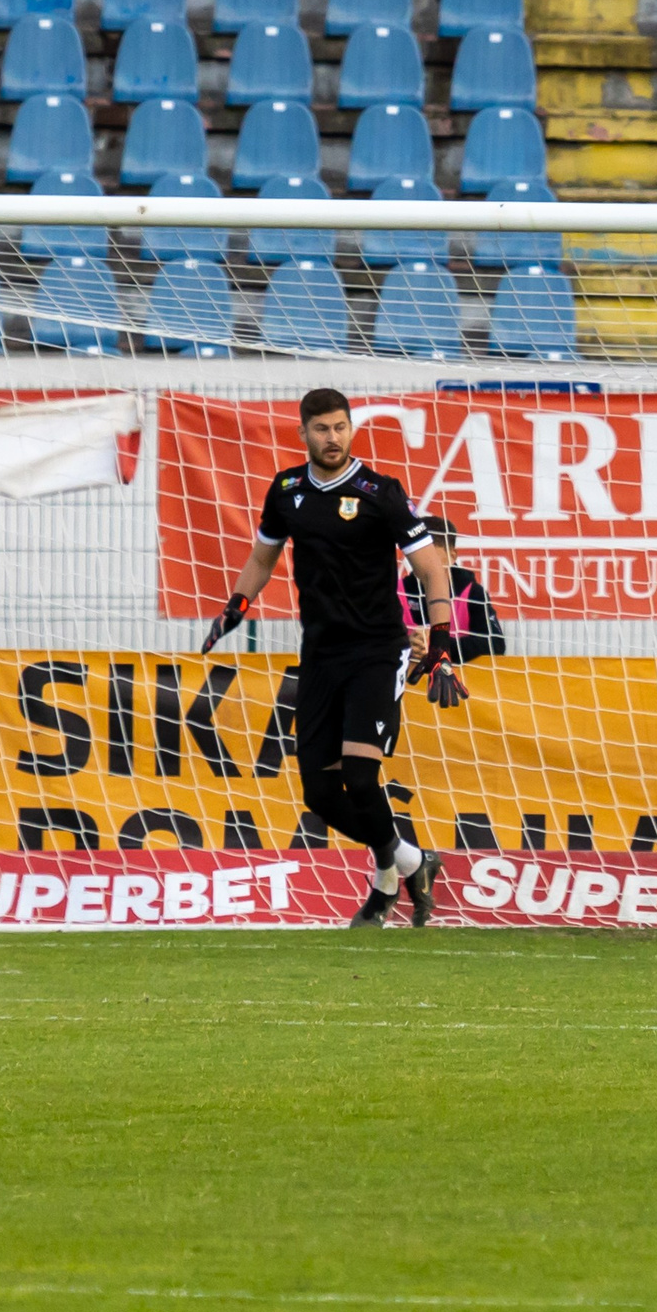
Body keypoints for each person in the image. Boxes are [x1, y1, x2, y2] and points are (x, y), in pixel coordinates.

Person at [202, 388, 462, 928]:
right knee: (320, 794)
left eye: (341, 427)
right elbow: (263, 555)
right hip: (319, 654)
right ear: (304, 434)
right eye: (321, 429)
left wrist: (440, 642)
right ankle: (410, 863)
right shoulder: (287, 489)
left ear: (351, 429)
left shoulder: (381, 492)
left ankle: (387, 881)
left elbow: (433, 571)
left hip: (376, 650)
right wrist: (236, 605)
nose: (333, 438)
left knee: (362, 779)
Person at [404, 517, 505, 663]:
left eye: (434, 562)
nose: (427, 568)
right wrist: (407, 646)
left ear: (452, 557)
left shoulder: (472, 593)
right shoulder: (396, 592)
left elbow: (496, 645)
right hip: (403, 684)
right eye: (419, 560)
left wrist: (440, 645)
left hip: (462, 682)